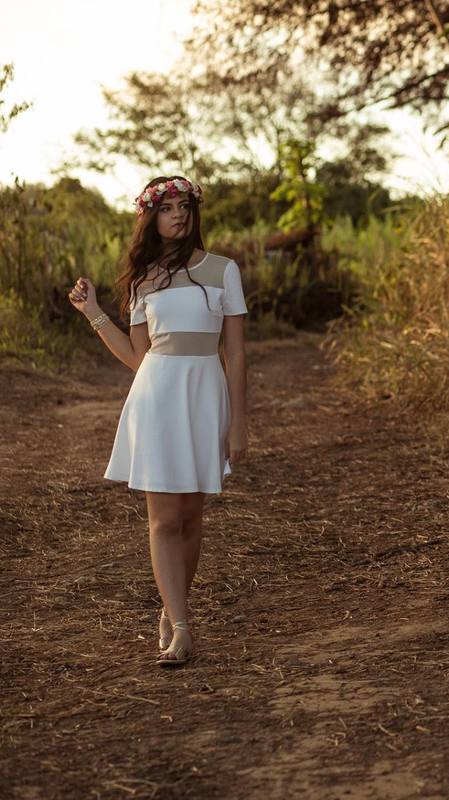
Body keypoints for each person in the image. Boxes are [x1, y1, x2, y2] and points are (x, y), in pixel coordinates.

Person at [67, 175, 248, 667]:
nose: (178, 215)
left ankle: (174, 609)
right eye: (167, 208)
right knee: (164, 518)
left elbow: (233, 352)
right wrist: (93, 314)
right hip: (157, 397)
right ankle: (182, 625)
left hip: (205, 396)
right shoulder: (144, 278)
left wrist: (237, 422)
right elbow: (137, 357)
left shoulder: (223, 270)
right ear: (151, 216)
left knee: (191, 515)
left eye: (184, 206)